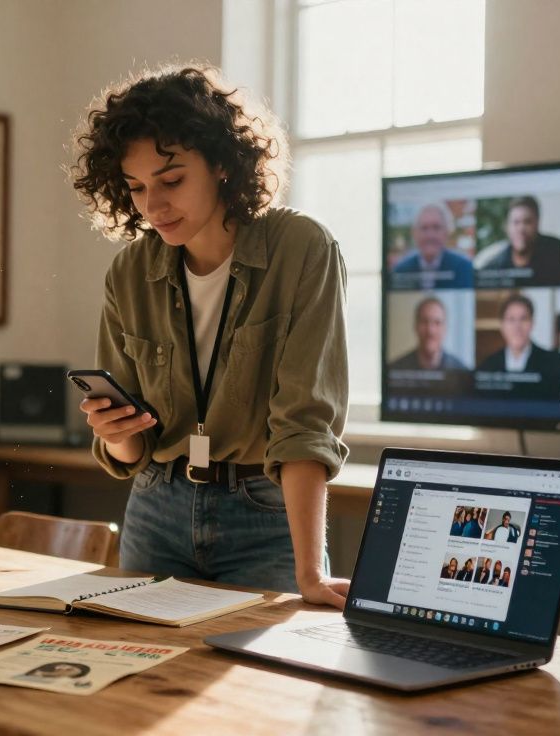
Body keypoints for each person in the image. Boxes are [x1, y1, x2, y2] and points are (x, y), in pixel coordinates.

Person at [72, 65, 349, 608]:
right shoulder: (129, 272)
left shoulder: (301, 249)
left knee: (263, 664)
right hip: (156, 508)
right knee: (138, 661)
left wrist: (310, 572)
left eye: (171, 181)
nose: (153, 206)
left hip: (265, 512)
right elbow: (131, 451)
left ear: (223, 163)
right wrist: (114, 432)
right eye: (136, 188)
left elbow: (304, 425)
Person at [476, 294, 560, 399]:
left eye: (523, 319)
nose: (517, 326)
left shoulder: (555, 363)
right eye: (511, 319)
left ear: (532, 323)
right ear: (502, 325)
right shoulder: (487, 366)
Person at [474, 196, 560, 278]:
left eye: (527, 222)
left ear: (537, 223)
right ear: (506, 227)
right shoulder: (493, 268)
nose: (521, 229)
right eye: (516, 222)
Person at [391, 204, 474, 288]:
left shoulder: (464, 268)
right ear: (415, 233)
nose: (430, 235)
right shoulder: (400, 271)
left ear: (446, 232)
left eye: (436, 227)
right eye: (424, 228)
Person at [386, 297, 468, 371]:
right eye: (424, 322)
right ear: (415, 326)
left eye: (437, 323)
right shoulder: (395, 369)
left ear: (445, 328)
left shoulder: (461, 370)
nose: (430, 331)